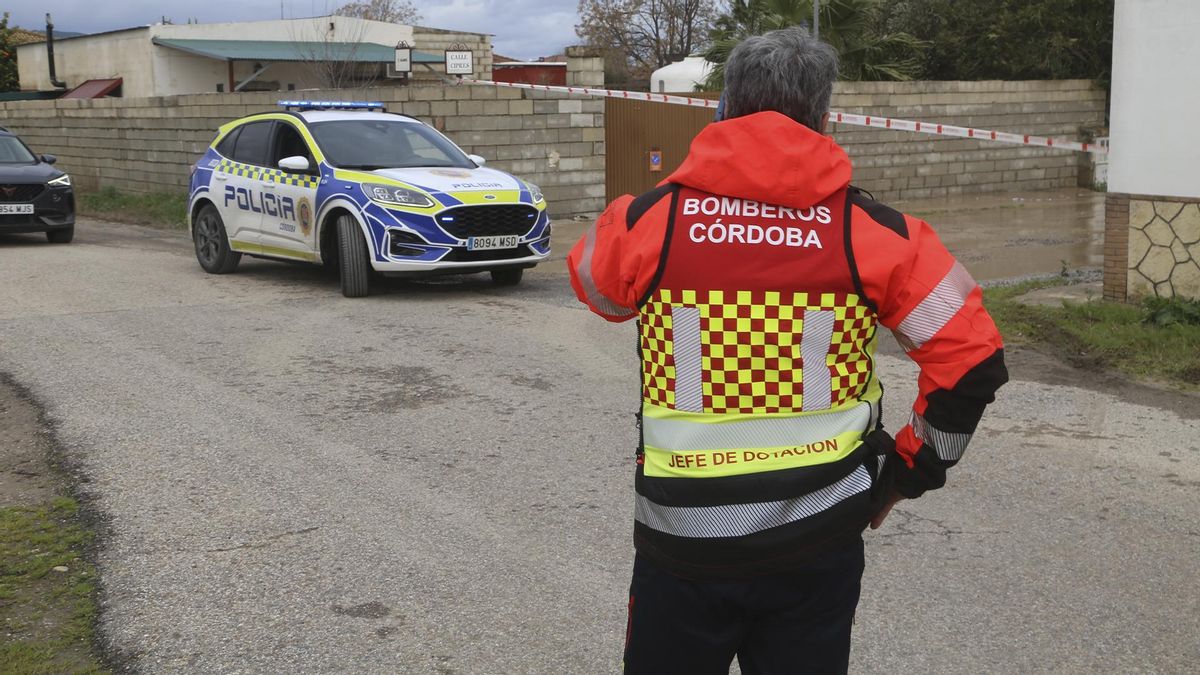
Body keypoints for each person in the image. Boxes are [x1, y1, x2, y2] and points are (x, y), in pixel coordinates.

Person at [567, 26, 1009, 675]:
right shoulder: (876, 234)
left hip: (683, 549)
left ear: (724, 108)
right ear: (824, 118)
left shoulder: (649, 222)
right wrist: (906, 473)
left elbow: (595, 289)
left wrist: (660, 212)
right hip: (818, 545)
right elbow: (973, 359)